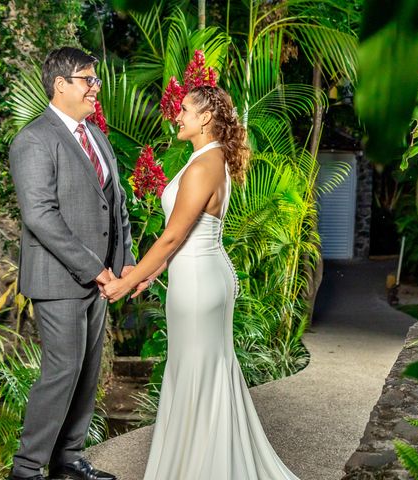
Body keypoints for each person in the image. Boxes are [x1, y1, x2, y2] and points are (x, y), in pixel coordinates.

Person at [102, 86, 299, 479]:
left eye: (185, 109)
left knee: (198, 377)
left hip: (198, 283)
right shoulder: (207, 159)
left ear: (206, 117)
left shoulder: (204, 164)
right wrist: (152, 273)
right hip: (196, 275)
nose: (177, 114)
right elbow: (186, 234)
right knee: (198, 374)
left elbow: (174, 235)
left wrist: (126, 283)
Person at [8, 47, 140, 480]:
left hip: (99, 279)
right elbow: (40, 215)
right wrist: (95, 269)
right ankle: (27, 469)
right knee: (62, 371)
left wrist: (123, 265)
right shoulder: (33, 139)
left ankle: (68, 460)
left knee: (85, 373)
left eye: (95, 79)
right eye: (88, 79)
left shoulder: (95, 136)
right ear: (60, 85)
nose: (95, 87)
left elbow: (115, 204)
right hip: (60, 279)